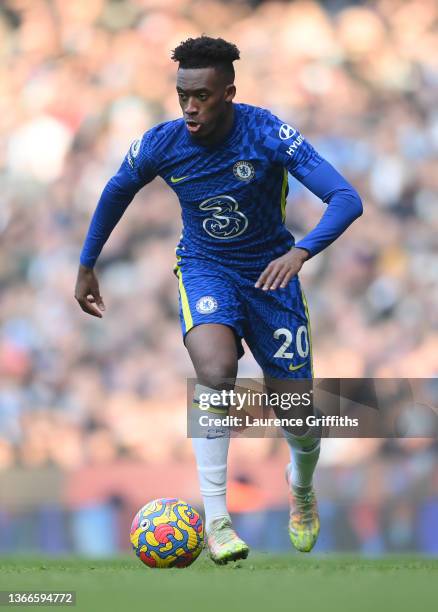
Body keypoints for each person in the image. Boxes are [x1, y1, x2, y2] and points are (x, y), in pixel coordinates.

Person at [75, 36, 363, 564]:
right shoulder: (162, 143)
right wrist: (87, 263)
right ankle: (217, 520)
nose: (189, 106)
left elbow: (346, 198)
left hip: (273, 275)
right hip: (206, 268)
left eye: (202, 96)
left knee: (297, 416)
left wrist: (301, 253)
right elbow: (117, 189)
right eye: (182, 94)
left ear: (228, 92)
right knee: (216, 368)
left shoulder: (267, 132)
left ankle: (300, 487)